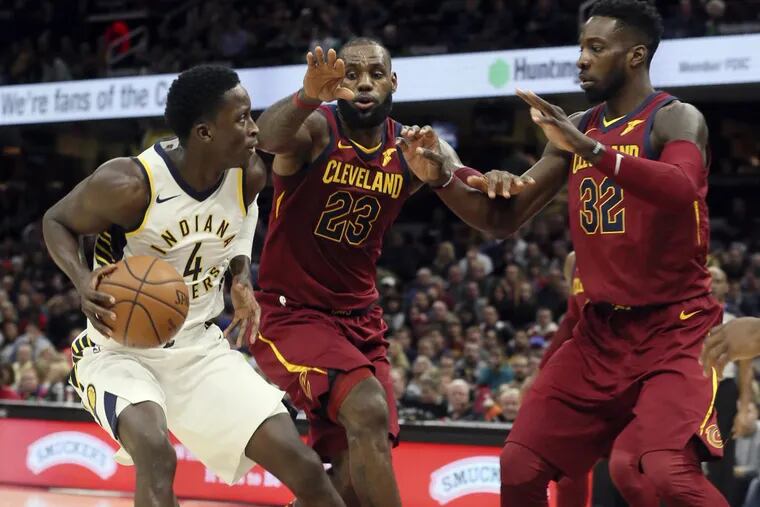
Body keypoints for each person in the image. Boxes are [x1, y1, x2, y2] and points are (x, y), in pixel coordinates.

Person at [399, 1, 728, 505]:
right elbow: (502, 218)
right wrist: (444, 178)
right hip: (600, 333)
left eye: (596, 48)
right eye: (581, 47)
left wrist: (590, 149)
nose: (581, 59)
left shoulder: (675, 118)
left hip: (675, 327)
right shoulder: (576, 128)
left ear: (636, 56)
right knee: (519, 465)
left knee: (665, 471)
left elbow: (682, 187)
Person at [42, 65, 344, 507]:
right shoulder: (130, 183)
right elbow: (56, 221)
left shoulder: (249, 174)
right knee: (155, 454)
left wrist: (240, 273)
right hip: (118, 350)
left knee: (305, 466)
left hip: (198, 348)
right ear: (204, 132)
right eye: (242, 118)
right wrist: (82, 280)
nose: (254, 128)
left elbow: (244, 216)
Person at [250, 39, 478, 507]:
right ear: (337, 84)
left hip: (361, 321)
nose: (364, 84)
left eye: (375, 73)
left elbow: (465, 181)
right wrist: (306, 96)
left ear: (393, 81)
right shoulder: (317, 128)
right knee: (369, 408)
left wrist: (490, 179)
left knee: (352, 479)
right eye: (351, 75)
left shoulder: (411, 146)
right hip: (293, 315)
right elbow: (267, 139)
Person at [706, 266, 755, 501]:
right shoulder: (685, 317)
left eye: (718, 280)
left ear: (727, 286)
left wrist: (744, 409)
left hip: (723, 393)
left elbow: (745, 371)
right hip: (691, 392)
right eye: (708, 279)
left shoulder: (735, 322)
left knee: (721, 458)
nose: (712, 284)